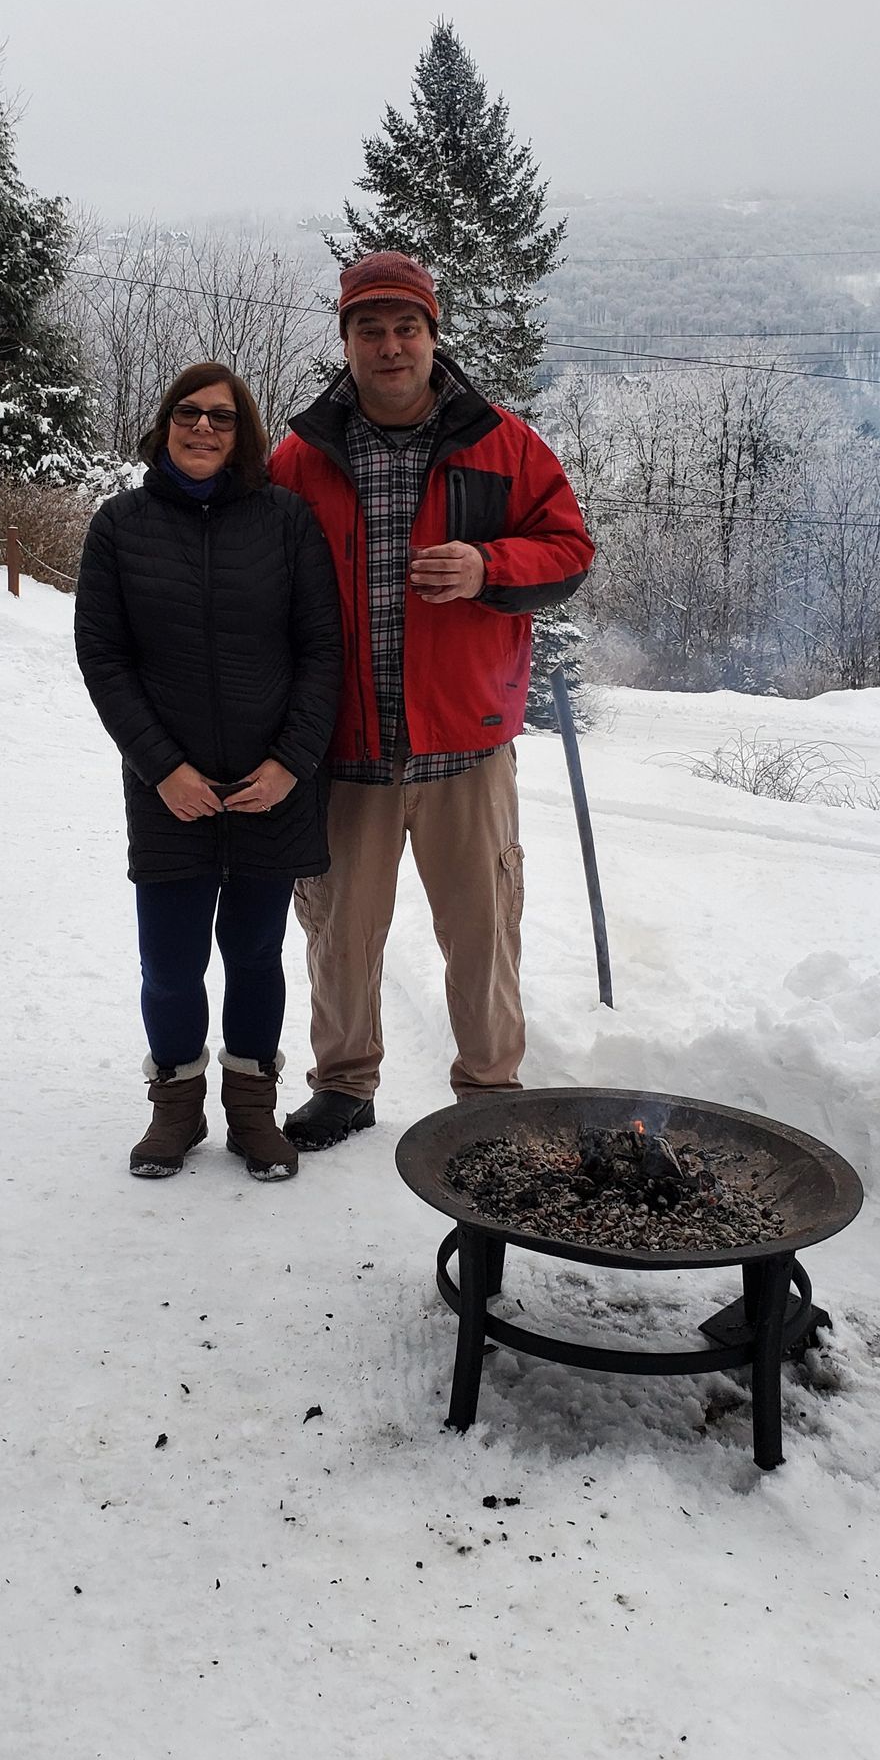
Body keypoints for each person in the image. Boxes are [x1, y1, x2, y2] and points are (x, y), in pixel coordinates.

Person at [268, 251, 595, 1149]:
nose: (389, 345)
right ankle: (343, 1082)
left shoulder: (504, 443)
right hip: (347, 746)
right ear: (346, 342)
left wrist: (492, 566)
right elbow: (257, 581)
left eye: (406, 327)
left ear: (432, 335)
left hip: (467, 743)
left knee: (484, 930)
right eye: (369, 329)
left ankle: (489, 1091)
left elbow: (569, 550)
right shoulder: (300, 457)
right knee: (339, 929)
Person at [75, 362, 342, 1181]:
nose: (202, 429)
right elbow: (104, 658)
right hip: (171, 794)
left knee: (256, 955)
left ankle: (252, 1111)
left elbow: (322, 652)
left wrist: (292, 763)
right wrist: (163, 770)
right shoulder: (119, 526)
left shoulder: (286, 521)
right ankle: (176, 1109)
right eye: (188, 413)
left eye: (221, 419)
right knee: (170, 959)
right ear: (164, 424)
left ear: (243, 434)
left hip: (272, 789)